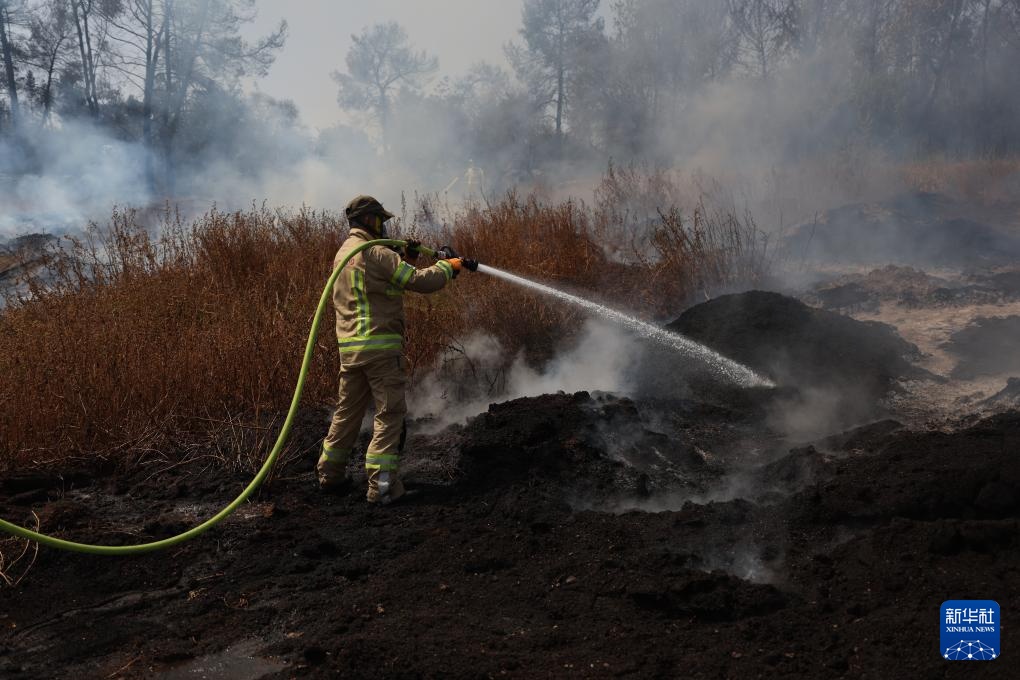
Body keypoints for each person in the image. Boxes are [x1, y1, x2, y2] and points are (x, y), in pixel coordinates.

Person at [318, 195, 465, 504]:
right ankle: (382, 487)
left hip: (351, 350)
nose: (384, 226)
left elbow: (384, 286)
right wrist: (448, 267)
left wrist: (406, 258)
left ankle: (330, 475)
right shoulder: (376, 252)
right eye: (381, 220)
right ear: (371, 220)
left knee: (347, 413)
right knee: (390, 413)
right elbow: (419, 282)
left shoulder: (345, 253)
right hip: (380, 350)